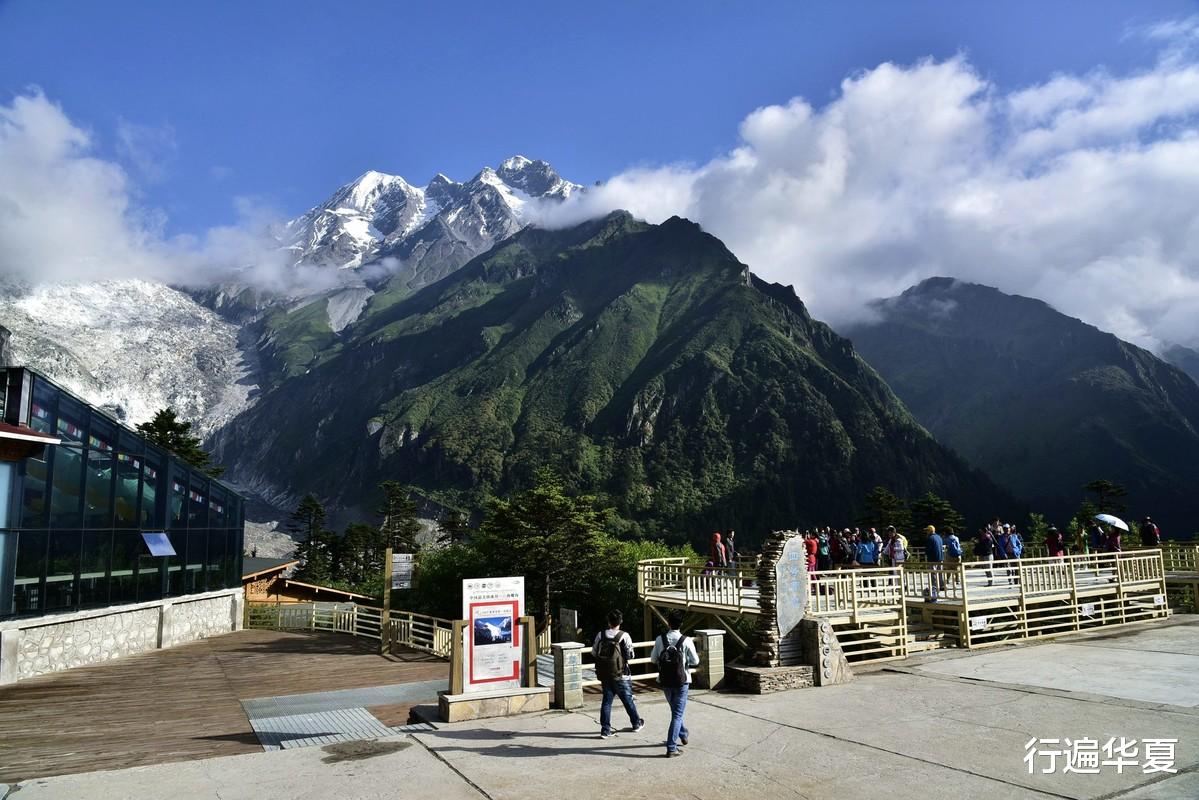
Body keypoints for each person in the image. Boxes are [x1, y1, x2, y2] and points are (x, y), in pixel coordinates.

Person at [649, 609, 700, 757]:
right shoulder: (686, 640)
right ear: (681, 624)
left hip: (665, 681)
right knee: (677, 714)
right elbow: (695, 661)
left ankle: (683, 733)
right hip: (682, 681)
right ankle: (671, 748)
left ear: (668, 623)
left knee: (676, 712)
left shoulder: (660, 639)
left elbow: (653, 659)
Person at [592, 610, 645, 738]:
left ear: (608, 621)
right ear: (620, 621)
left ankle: (605, 730)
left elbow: (594, 652)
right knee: (627, 700)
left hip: (605, 674)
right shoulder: (624, 636)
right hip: (621, 674)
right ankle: (636, 723)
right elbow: (631, 655)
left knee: (607, 701)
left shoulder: (601, 635)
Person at [924, 525, 945, 592]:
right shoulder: (939, 537)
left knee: (933, 573)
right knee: (940, 572)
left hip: (932, 558)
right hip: (940, 557)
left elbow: (928, 549)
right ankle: (942, 586)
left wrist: (926, 554)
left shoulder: (930, 538)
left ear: (929, 531)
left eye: (927, 530)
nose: (926, 532)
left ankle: (934, 586)